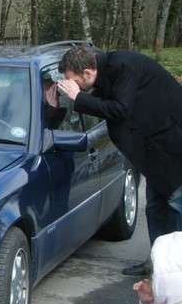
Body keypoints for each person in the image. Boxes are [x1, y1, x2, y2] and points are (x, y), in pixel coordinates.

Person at [57, 47, 182, 276]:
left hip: (173, 147)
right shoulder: (106, 74)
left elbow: (120, 109)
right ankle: (157, 265)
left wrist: (79, 97)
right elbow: (97, 101)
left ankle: (175, 270)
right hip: (156, 154)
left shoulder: (123, 65)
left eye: (73, 81)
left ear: (86, 72)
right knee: (156, 208)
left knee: (177, 206)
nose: (72, 86)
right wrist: (59, 103)